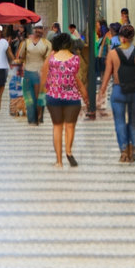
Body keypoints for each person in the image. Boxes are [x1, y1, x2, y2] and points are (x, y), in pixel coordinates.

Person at [100, 25, 135, 162]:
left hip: (118, 90)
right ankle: (133, 151)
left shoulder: (113, 54)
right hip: (134, 91)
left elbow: (107, 74)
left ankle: (123, 151)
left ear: (120, 37)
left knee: (119, 122)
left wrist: (101, 92)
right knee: (134, 122)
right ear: (132, 37)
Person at [41, 33, 87, 167]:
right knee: (70, 126)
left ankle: (59, 161)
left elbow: (44, 71)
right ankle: (69, 151)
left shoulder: (51, 58)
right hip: (72, 97)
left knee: (57, 127)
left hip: (54, 96)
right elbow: (74, 77)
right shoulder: (75, 59)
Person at [18, 24, 52, 126]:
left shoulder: (47, 44)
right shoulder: (26, 42)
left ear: (43, 30)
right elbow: (21, 56)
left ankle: (39, 117)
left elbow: (48, 59)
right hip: (28, 72)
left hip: (40, 73)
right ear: (33, 30)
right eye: (37, 28)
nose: (38, 30)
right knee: (29, 98)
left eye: (41, 28)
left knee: (39, 98)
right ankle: (31, 119)